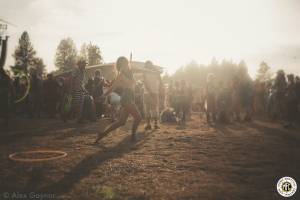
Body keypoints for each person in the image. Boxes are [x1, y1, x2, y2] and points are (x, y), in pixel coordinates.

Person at [94, 56, 142, 143]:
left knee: (121, 122)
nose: (127, 65)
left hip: (130, 97)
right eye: (125, 63)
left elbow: (140, 71)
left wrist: (152, 71)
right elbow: (112, 87)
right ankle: (133, 137)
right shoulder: (120, 75)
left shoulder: (130, 73)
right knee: (138, 117)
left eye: (127, 63)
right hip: (127, 98)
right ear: (121, 65)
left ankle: (102, 134)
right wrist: (103, 96)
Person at [143, 61, 161, 130]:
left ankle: (149, 125)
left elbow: (145, 84)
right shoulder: (156, 72)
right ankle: (155, 124)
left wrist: (150, 92)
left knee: (147, 109)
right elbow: (160, 81)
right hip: (154, 92)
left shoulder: (144, 72)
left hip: (147, 93)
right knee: (154, 109)